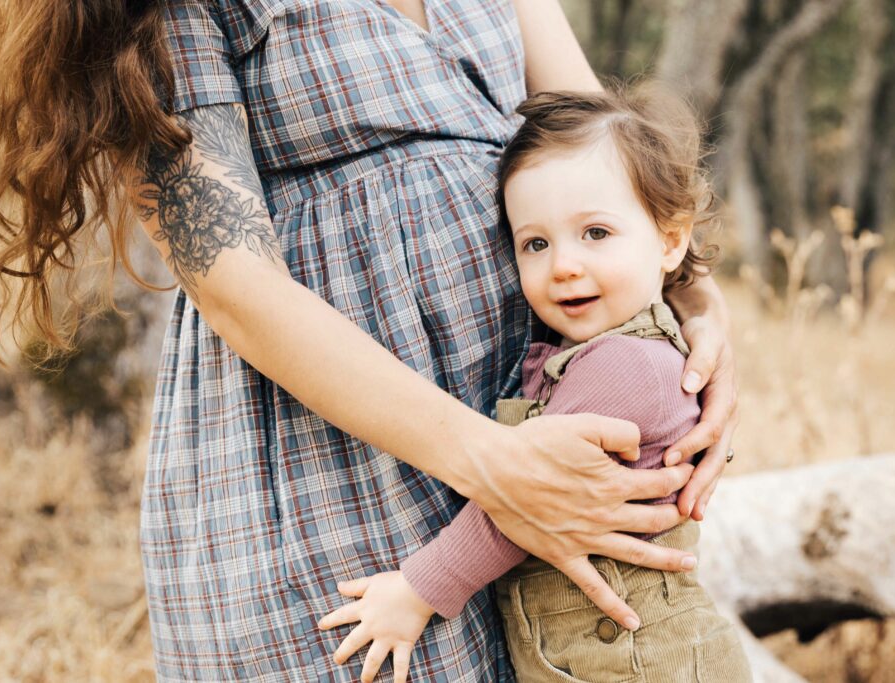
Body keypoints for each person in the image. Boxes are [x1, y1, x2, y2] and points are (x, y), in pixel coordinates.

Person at [0, 0, 740, 679]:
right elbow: (234, 284)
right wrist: (492, 463)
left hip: (518, 395)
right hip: (332, 454)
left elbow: (598, 141)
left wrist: (694, 308)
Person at [318, 88, 752, 682]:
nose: (564, 265)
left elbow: (527, 490)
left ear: (670, 239)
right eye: (536, 244)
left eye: (596, 233)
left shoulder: (627, 364)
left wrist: (420, 590)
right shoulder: (590, 352)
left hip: (641, 663)